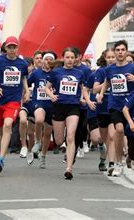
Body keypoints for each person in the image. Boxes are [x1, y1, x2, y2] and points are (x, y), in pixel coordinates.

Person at [96, 40, 134, 177]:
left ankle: (132, 155)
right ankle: (117, 162)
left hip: (131, 106)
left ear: (126, 52)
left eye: (123, 50)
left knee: (133, 134)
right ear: (115, 52)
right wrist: (100, 94)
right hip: (115, 104)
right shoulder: (109, 69)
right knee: (119, 129)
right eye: (118, 50)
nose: (120, 52)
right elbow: (107, 82)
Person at [0, 36, 29, 172]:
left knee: (8, 124)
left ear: (17, 48)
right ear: (5, 48)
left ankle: (2, 159)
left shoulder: (22, 64)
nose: (12, 49)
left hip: (13, 101)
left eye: (14, 47)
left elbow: (23, 78)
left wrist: (26, 91)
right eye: (9, 47)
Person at [45, 47, 87, 180]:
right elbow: (46, 87)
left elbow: (83, 89)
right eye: (67, 57)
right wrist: (51, 95)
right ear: (63, 58)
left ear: (75, 59)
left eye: (72, 58)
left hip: (73, 108)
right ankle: (62, 145)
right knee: (58, 140)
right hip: (58, 107)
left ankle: (69, 168)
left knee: (70, 136)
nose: (70, 60)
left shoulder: (79, 73)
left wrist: (83, 99)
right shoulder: (56, 72)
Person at [28, 51, 57, 168]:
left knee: (48, 132)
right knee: (39, 120)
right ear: (43, 61)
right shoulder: (36, 73)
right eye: (46, 59)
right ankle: (38, 142)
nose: (48, 61)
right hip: (38, 102)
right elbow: (26, 83)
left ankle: (43, 156)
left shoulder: (57, 74)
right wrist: (25, 93)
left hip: (52, 105)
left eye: (51, 59)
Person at [93, 49, 117, 173]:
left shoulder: (120, 71)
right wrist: (107, 84)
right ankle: (103, 158)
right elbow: (94, 89)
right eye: (109, 57)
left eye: (113, 57)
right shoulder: (102, 71)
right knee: (103, 138)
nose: (112, 59)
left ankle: (111, 163)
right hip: (102, 109)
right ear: (105, 58)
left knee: (112, 136)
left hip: (114, 108)